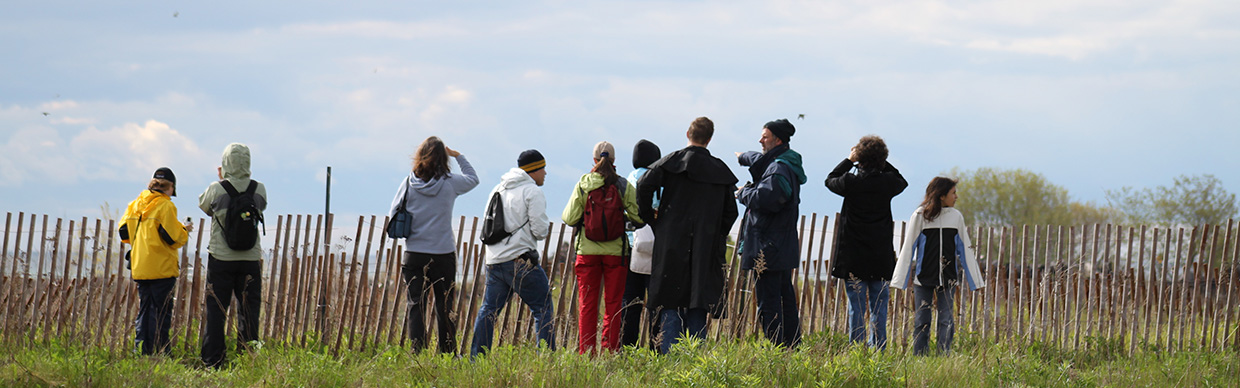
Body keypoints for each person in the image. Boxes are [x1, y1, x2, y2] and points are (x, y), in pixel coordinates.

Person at [636, 117, 739, 354]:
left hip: (671, 240)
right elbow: (731, 211)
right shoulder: (720, 170)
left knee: (670, 297)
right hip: (706, 244)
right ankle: (694, 359)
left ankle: (669, 357)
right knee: (698, 300)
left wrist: (652, 219)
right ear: (710, 138)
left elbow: (643, 185)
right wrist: (716, 233)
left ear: (687, 133)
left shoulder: (670, 162)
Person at [389, 136, 478, 354]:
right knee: (444, 305)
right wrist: (459, 156)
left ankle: (417, 352)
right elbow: (473, 179)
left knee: (415, 304)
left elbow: (393, 213)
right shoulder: (451, 182)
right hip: (442, 253)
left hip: (414, 252)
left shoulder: (408, 183)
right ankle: (448, 353)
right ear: (443, 158)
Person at [470, 149, 556, 357]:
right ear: (534, 169)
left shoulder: (497, 189)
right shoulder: (532, 191)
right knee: (543, 307)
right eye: (543, 168)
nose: (545, 173)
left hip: (494, 260)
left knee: (489, 311)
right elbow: (540, 230)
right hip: (520, 260)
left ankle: (477, 359)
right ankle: (546, 358)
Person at [825, 135, 907, 350]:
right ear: (883, 158)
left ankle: (856, 349)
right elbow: (901, 180)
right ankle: (878, 347)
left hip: (854, 255)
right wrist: (880, 161)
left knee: (856, 306)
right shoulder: (887, 182)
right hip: (879, 254)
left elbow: (830, 179)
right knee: (879, 305)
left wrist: (849, 160)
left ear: (860, 157)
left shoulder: (850, 182)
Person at [561, 141, 643, 355]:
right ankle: (609, 352)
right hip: (616, 254)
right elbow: (638, 218)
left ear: (594, 160)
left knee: (587, 306)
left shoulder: (584, 183)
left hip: (587, 253)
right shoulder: (623, 185)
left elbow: (569, 218)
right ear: (614, 161)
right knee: (614, 305)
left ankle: (587, 353)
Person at [892, 177, 985, 355]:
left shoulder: (956, 217)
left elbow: (965, 249)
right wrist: (899, 280)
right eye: (953, 193)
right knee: (921, 319)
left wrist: (976, 281)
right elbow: (908, 247)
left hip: (948, 277)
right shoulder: (920, 215)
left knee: (946, 320)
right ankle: (919, 356)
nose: (956, 197)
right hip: (923, 277)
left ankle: (944, 355)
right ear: (942, 195)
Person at [734, 119, 806, 349]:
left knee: (770, 303)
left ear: (778, 140)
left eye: (765, 137)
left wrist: (744, 192)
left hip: (768, 246)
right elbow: (758, 159)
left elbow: (767, 198)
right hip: (779, 246)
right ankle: (792, 347)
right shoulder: (783, 162)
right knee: (785, 299)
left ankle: (777, 349)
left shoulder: (778, 168)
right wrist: (743, 156)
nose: (760, 140)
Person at [199, 143, 268, 368]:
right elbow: (262, 207)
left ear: (225, 162)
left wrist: (222, 179)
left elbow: (205, 206)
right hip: (250, 259)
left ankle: (213, 361)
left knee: (216, 310)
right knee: (249, 309)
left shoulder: (217, 188)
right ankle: (247, 357)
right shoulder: (259, 189)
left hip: (221, 258)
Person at [120, 167, 192, 355]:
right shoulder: (166, 206)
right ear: (171, 188)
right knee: (161, 312)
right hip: (161, 267)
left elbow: (123, 232)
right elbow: (173, 237)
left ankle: (141, 350)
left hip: (140, 266)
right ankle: (161, 350)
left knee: (144, 310)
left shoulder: (136, 204)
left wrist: (142, 238)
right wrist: (184, 230)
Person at [620, 139, 662, 349]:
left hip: (630, 246)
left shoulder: (628, 180)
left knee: (630, 300)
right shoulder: (657, 180)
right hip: (654, 246)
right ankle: (656, 346)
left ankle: (627, 347)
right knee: (655, 301)